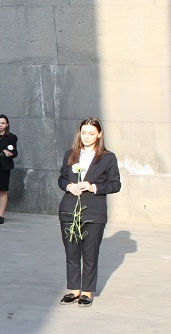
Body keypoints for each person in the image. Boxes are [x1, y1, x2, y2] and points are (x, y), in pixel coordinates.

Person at [58, 117, 121, 307]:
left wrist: (93, 186)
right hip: (69, 209)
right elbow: (61, 178)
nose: (86, 137)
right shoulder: (71, 154)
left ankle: (87, 291)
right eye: (83, 133)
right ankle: (74, 288)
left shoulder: (108, 157)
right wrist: (69, 186)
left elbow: (115, 184)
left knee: (90, 252)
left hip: (94, 211)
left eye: (91, 133)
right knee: (71, 251)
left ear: (99, 134)